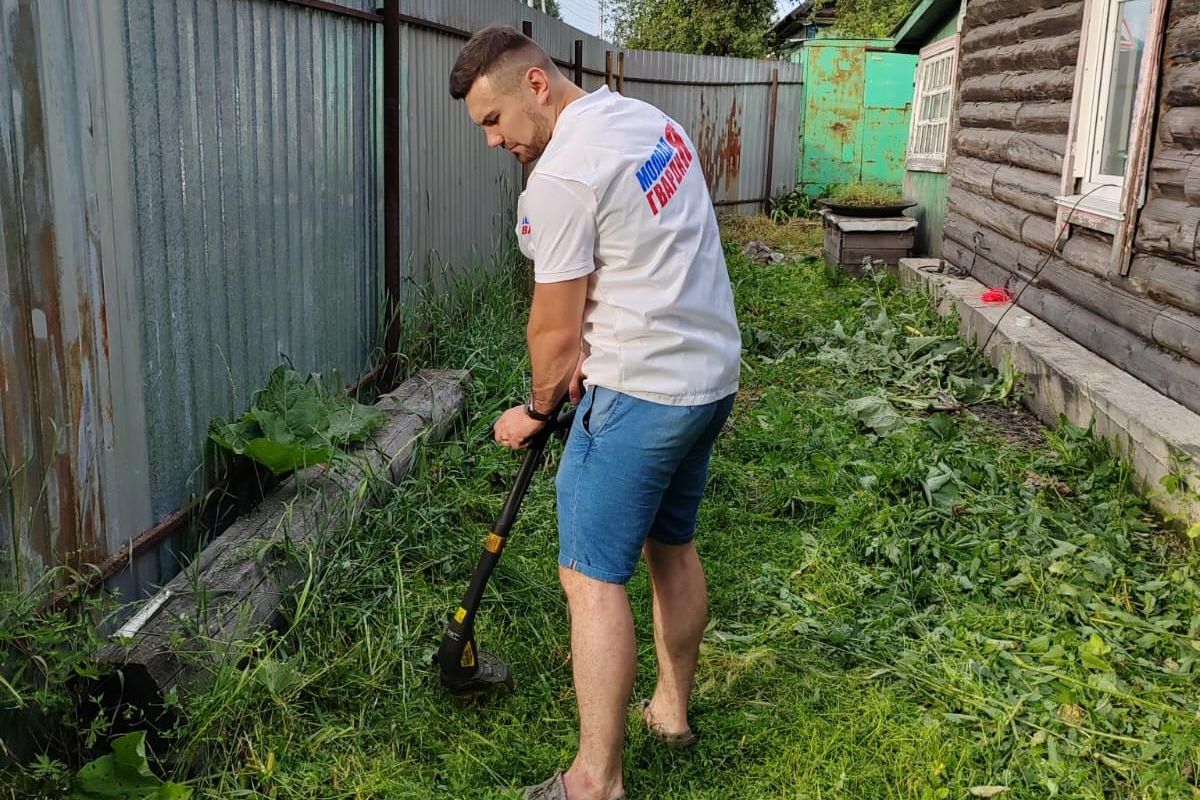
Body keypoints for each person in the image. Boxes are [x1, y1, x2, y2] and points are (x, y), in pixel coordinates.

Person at [449, 25, 741, 800]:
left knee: (589, 578)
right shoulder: (649, 122)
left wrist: (536, 409)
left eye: (493, 120)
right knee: (671, 546)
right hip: (709, 378)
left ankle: (593, 783)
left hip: (639, 395)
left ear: (535, 85)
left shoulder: (561, 177)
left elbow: (552, 330)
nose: (492, 141)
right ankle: (670, 713)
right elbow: (650, 253)